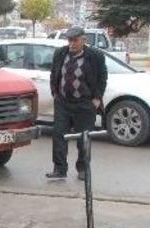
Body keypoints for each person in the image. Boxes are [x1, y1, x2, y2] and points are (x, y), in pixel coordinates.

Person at [47, 26, 108, 181]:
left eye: (75, 40)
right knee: (59, 135)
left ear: (83, 40)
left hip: (85, 104)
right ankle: (59, 169)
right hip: (63, 102)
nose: (72, 44)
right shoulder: (60, 53)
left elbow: (102, 77)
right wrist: (55, 93)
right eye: (69, 40)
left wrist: (97, 99)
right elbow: (54, 73)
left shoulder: (95, 56)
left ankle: (83, 169)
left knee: (83, 138)